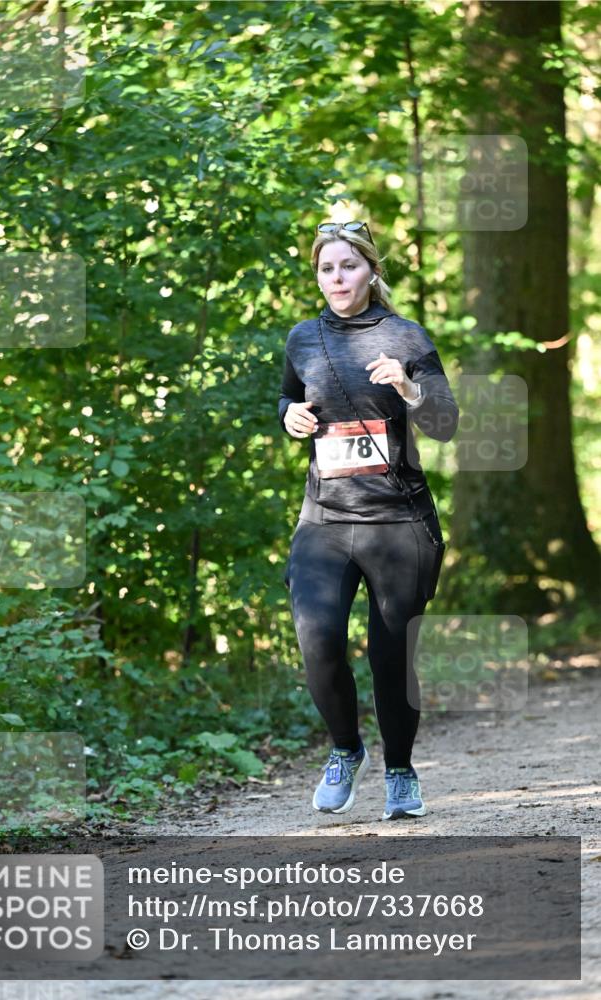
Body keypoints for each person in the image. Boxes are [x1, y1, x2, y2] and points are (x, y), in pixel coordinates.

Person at [279, 221, 459, 820]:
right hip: (324, 518)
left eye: (348, 267)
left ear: (370, 271)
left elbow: (445, 422)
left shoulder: (404, 335)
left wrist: (408, 386)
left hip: (398, 523)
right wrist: (291, 418)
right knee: (318, 638)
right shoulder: (303, 338)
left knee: (390, 656)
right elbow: (286, 398)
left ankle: (401, 771)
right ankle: (345, 750)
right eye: (326, 269)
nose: (337, 279)